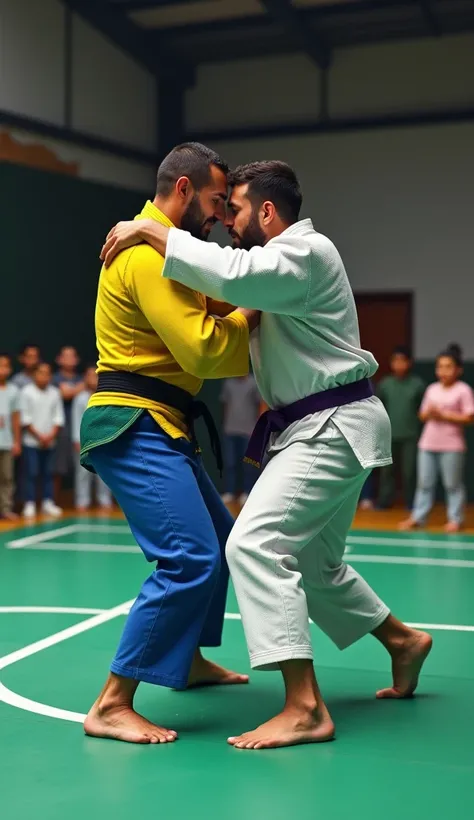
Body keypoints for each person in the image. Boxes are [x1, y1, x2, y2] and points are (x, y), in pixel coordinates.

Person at [102, 159, 433, 750]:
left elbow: (229, 276)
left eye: (234, 208)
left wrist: (152, 230)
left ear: (268, 212)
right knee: (314, 566)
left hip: (328, 427)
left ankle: (304, 707)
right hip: (328, 427)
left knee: (252, 544)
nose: (226, 220)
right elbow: (230, 311)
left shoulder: (302, 254)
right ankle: (402, 641)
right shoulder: (277, 273)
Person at [81, 142, 259, 745]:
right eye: (213, 200)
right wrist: (256, 312)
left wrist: (269, 280)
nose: (216, 215)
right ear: (182, 190)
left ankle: (182, 660)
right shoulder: (145, 257)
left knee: (223, 543)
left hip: (163, 422)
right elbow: (206, 349)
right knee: (188, 556)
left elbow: (216, 298)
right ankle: (111, 702)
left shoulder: (166, 247)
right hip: (131, 422)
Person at [400, 344, 474, 533]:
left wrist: (444, 415)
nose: (443, 371)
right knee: (424, 482)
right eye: (440, 366)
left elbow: (468, 417)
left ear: (458, 370)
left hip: (452, 445)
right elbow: (423, 415)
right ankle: (418, 517)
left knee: (452, 484)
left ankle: (455, 519)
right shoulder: (432, 389)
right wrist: (429, 413)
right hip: (428, 443)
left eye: (448, 366)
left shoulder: (463, 390)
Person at [377, 347, 425, 510]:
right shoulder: (385, 384)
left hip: (410, 435)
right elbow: (379, 409)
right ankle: (384, 501)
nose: (399, 364)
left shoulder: (417, 385)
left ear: (409, 363)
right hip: (389, 435)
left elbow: (422, 411)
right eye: (395, 361)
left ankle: (411, 502)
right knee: (386, 471)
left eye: (402, 361)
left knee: (409, 472)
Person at [20, 363, 64, 519]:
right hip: (31, 442)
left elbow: (58, 418)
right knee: (31, 473)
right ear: (34, 374)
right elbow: (25, 419)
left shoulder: (55, 393)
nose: (44, 376)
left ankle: (48, 502)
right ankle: (30, 503)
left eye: (47, 373)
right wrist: (39, 436)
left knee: (48, 473)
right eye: (41, 373)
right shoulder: (26, 392)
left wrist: (50, 435)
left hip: (50, 442)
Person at [71, 366, 112, 511]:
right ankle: (82, 500)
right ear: (84, 378)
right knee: (82, 472)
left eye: (96, 375)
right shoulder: (80, 398)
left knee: (103, 471)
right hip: (84, 441)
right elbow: (76, 419)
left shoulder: (106, 396)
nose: (93, 379)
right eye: (89, 376)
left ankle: (104, 498)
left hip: (103, 439)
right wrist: (76, 439)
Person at [220, 374, 261, 505]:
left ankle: (247, 492)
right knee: (230, 463)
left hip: (249, 430)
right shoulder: (228, 383)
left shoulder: (254, 383)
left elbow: (261, 405)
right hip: (230, 430)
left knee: (249, 464)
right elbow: (225, 405)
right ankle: (229, 492)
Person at [53, 346, 84, 497]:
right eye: (66, 356)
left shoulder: (79, 379)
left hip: (80, 426)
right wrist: (84, 385)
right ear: (58, 359)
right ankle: (53, 500)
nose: (69, 359)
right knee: (58, 465)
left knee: (82, 466)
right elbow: (66, 394)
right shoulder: (55, 378)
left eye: (72, 356)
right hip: (62, 427)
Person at [0, 354, 21, 520]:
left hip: (6, 442)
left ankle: (6, 508)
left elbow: (16, 418)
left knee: (7, 477)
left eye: (6, 366)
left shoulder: (14, 390)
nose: (3, 369)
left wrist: (17, 441)